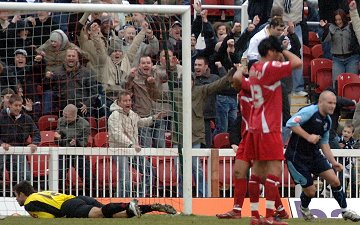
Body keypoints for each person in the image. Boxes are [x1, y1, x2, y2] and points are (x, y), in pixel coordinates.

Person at [244, 36, 302, 225]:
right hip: (269, 127)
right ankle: (269, 216)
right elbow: (297, 62)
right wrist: (283, 49)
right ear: (270, 51)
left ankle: (255, 216)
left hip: (255, 126)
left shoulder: (253, 69)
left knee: (257, 172)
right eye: (276, 52)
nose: (279, 56)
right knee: (274, 171)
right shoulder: (269, 67)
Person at [285, 91, 360, 222]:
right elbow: (291, 123)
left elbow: (324, 143)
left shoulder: (328, 121)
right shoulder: (309, 111)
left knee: (335, 181)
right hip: (297, 157)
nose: (332, 106)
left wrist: (333, 162)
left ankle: (345, 211)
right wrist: (308, 136)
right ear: (321, 102)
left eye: (334, 103)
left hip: (314, 155)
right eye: (330, 103)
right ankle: (304, 208)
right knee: (311, 191)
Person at [14, 180, 176, 218]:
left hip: (69, 207)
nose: (16, 199)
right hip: (79, 198)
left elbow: (49, 218)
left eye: (16, 195)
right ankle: (152, 207)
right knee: (112, 215)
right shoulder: (42, 193)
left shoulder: (30, 203)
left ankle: (129, 204)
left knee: (99, 213)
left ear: (22, 194)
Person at [108, 90, 166, 197]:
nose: (128, 103)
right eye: (125, 101)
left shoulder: (132, 114)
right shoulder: (114, 116)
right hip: (120, 150)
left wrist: (154, 118)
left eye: (129, 100)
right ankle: (122, 201)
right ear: (119, 102)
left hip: (133, 150)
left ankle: (141, 196)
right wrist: (131, 144)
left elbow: (140, 122)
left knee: (149, 171)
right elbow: (117, 134)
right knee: (125, 178)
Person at [0, 94, 40, 189]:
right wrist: (1, 143)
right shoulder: (1, 117)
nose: (18, 108)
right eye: (16, 105)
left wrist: (34, 143)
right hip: (2, 151)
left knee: (25, 177)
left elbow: (36, 133)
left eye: (20, 105)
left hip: (18, 152)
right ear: (10, 105)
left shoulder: (26, 118)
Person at [54, 104, 91, 195]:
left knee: (87, 176)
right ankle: (59, 194)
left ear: (75, 116)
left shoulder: (85, 124)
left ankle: (90, 194)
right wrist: (57, 138)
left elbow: (85, 143)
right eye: (63, 116)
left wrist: (77, 142)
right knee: (58, 175)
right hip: (64, 152)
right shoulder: (60, 121)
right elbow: (57, 138)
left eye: (67, 117)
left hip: (78, 153)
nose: (65, 118)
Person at [320, 9, 360, 87]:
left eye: (340, 20)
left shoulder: (351, 27)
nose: (338, 22)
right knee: (337, 83)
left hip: (351, 58)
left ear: (344, 19)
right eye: (336, 20)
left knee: (351, 83)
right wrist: (326, 28)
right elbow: (325, 40)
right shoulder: (331, 27)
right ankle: (338, 99)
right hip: (337, 59)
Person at [337, 122, 359, 198]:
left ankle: (354, 198)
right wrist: (338, 146)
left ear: (352, 134)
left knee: (354, 181)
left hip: (351, 164)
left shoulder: (353, 142)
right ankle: (343, 198)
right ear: (342, 132)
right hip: (341, 164)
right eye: (345, 131)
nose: (346, 133)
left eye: (348, 132)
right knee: (342, 182)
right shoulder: (338, 140)